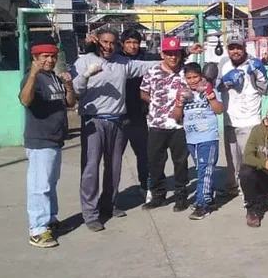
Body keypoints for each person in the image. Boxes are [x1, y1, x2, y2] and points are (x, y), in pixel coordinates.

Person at [71, 28, 162, 232]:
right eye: (105, 42)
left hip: (118, 122)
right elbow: (75, 90)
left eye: (112, 43)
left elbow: (145, 66)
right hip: (93, 122)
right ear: (97, 42)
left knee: (114, 168)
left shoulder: (122, 63)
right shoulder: (83, 60)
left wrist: (175, 57)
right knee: (91, 169)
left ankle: (109, 205)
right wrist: (86, 75)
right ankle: (90, 213)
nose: (108, 46)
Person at [19, 34, 76, 248]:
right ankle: (37, 229)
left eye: (52, 56)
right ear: (35, 57)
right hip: (40, 140)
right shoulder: (32, 77)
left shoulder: (53, 77)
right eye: (44, 56)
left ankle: (50, 221)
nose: (49, 60)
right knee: (39, 186)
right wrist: (33, 74)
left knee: (50, 184)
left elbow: (70, 104)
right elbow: (25, 100)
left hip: (55, 139)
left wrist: (68, 86)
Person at [139, 36, 192, 213]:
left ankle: (181, 196)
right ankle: (158, 196)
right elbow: (144, 93)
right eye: (169, 54)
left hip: (179, 126)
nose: (172, 57)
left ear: (180, 54)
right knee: (155, 162)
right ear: (162, 54)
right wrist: (158, 104)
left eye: (175, 53)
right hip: (157, 124)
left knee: (181, 162)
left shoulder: (187, 72)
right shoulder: (152, 71)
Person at [217, 37, 268, 199]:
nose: (235, 51)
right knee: (232, 159)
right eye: (232, 47)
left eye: (238, 47)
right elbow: (217, 86)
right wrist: (225, 83)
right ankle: (233, 187)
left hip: (250, 120)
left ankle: (252, 190)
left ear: (244, 48)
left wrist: (259, 73)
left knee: (250, 159)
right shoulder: (224, 63)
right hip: (229, 120)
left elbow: (267, 91)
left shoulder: (254, 64)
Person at [172, 62, 224, 220]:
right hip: (191, 139)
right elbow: (176, 117)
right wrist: (179, 102)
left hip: (208, 138)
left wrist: (211, 96)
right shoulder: (184, 93)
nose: (193, 80)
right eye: (189, 78)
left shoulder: (209, 89)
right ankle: (209, 199)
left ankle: (202, 204)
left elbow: (219, 110)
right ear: (185, 78)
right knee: (202, 170)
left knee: (204, 171)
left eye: (195, 77)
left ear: (201, 76)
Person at [119, 28, 158, 201]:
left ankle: (145, 186)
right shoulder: (115, 59)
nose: (133, 46)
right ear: (122, 44)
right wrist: (90, 45)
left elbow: (164, 60)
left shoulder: (145, 58)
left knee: (144, 154)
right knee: (113, 158)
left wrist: (187, 52)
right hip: (118, 117)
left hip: (139, 116)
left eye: (135, 42)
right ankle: (111, 194)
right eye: (129, 42)